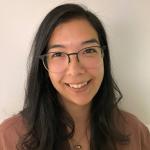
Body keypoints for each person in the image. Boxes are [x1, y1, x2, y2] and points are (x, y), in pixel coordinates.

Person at [0, 3, 150, 150]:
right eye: (58, 54)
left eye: (88, 50)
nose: (75, 70)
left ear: (103, 56)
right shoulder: (9, 138)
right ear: (44, 65)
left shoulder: (135, 132)